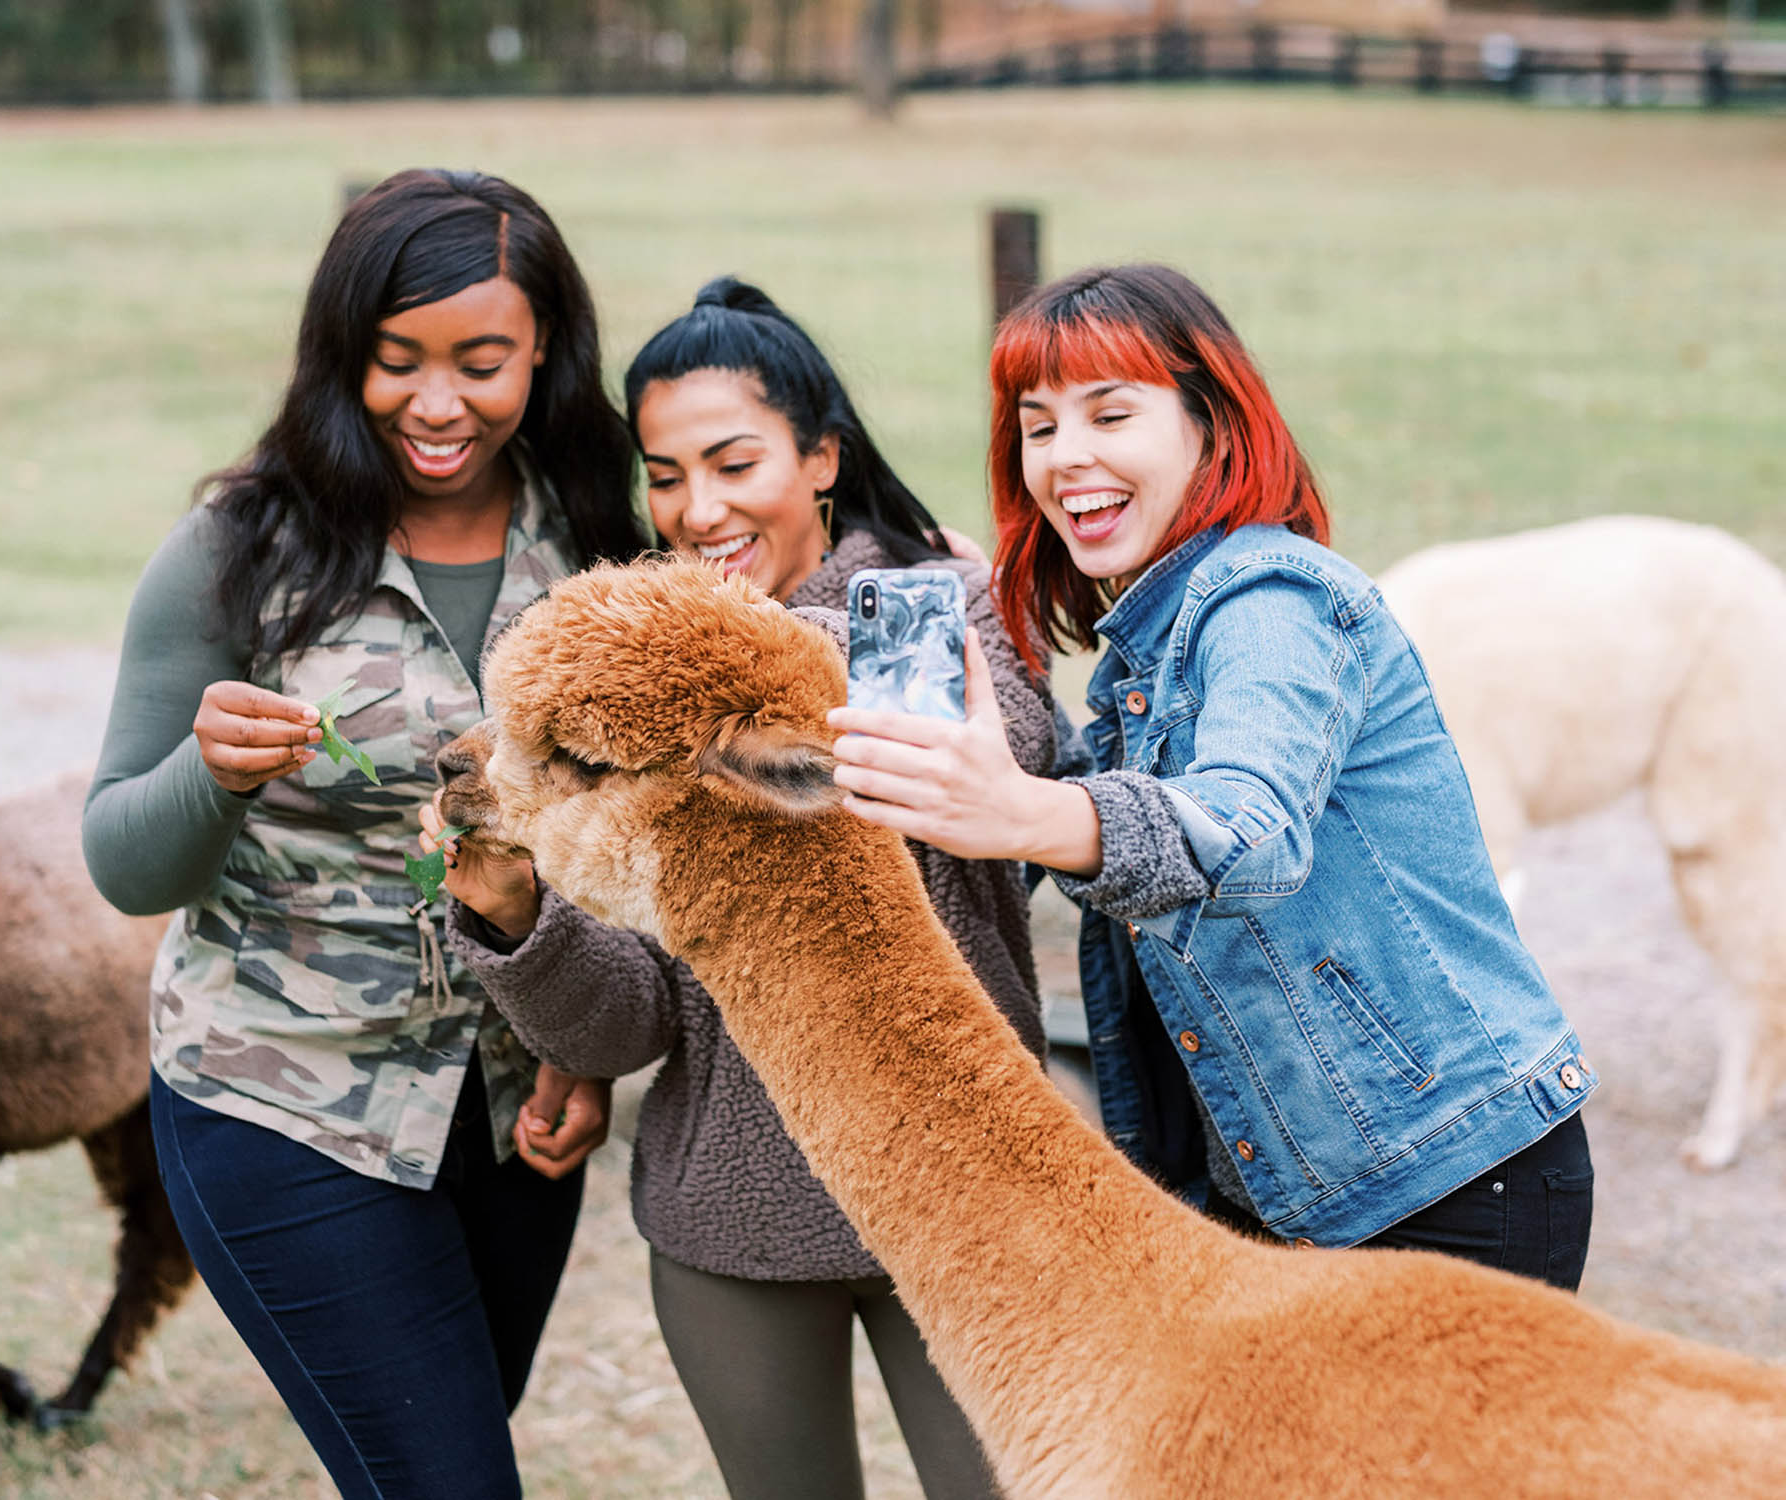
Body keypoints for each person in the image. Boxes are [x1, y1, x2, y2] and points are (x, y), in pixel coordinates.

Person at [827, 263, 1598, 1290]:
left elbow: (1245, 826)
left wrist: (1021, 811)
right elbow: (1109, 816)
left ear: (1211, 425)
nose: (1066, 458)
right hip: (1298, 1197)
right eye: (1038, 425)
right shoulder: (1146, 647)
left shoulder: (1268, 597)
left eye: (1109, 413)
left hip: (1448, 1185)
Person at [421, 277, 1053, 1500]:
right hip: (736, 1218)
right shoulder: (641, 684)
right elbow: (630, 1020)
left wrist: (765, 696)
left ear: (819, 457)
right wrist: (516, 914)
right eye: (663, 476)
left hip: (964, 1203)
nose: (696, 509)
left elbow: (1003, 787)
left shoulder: (938, 615)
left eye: (730, 461)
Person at [82, 168, 649, 1500]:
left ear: (544, 350)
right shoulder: (237, 552)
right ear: (345, 358)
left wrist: (588, 1051)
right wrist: (208, 771)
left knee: (425, 1462)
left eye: (480, 361)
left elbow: (626, 831)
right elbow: (122, 861)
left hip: (518, 1121)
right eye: (395, 363)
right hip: (286, 1100)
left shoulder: (602, 540)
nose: (435, 403)